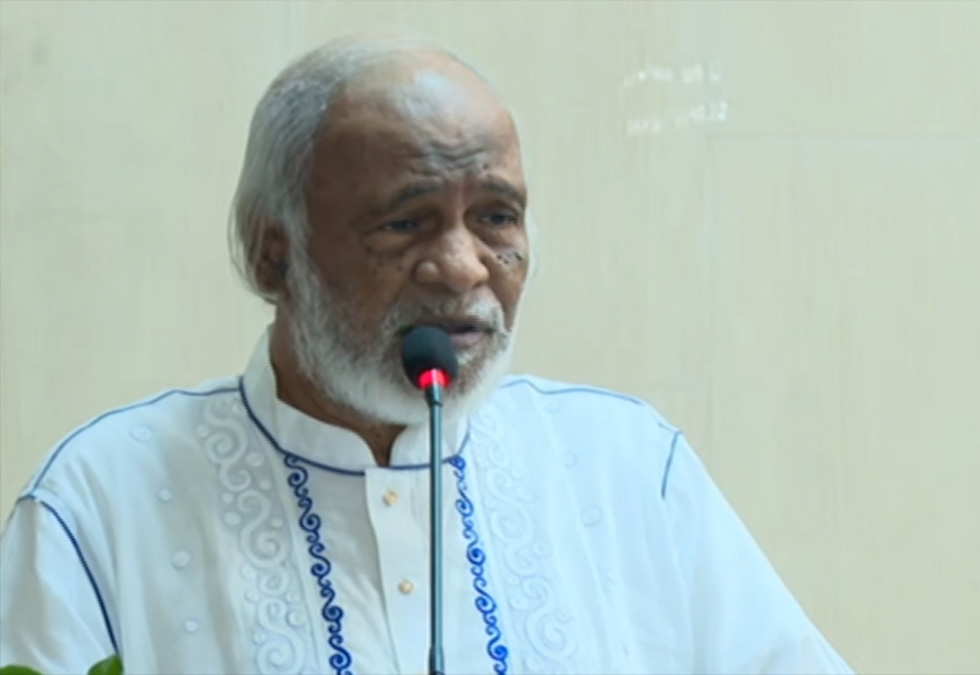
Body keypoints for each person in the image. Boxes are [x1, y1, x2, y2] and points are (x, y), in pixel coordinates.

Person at [0, 34, 854, 675]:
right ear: (274, 255)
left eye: (496, 217)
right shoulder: (101, 503)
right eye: (406, 222)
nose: (463, 267)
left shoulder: (628, 472)